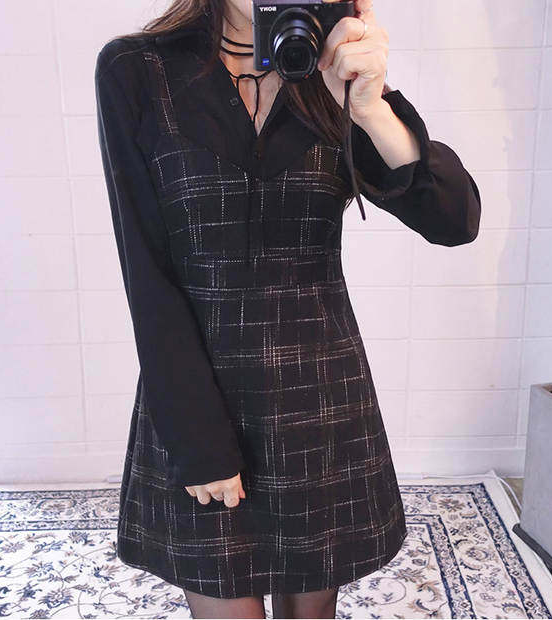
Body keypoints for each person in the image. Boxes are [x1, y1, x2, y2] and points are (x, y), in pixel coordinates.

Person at [94, 0, 481, 616]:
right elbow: (147, 273)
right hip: (198, 399)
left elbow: (455, 220)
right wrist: (196, 440)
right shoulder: (138, 70)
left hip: (320, 408)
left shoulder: (332, 72)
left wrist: (371, 109)